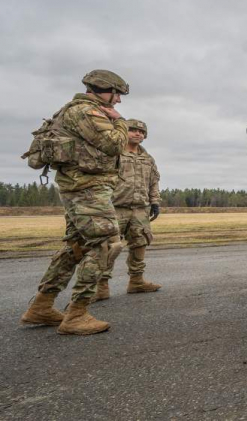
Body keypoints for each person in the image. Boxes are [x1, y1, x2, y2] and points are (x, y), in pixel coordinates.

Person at [20, 70, 130, 335]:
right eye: (117, 95)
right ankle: (77, 314)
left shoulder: (70, 111)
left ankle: (42, 305)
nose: (118, 102)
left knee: (76, 246)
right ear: (104, 89)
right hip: (87, 189)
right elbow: (115, 144)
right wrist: (121, 122)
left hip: (79, 187)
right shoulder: (87, 112)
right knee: (105, 244)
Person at [95, 119, 161, 300]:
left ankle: (136, 281)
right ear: (124, 132)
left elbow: (154, 182)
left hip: (140, 209)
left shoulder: (147, 158)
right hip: (115, 208)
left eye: (141, 131)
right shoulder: (113, 154)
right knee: (108, 247)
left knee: (140, 243)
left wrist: (154, 202)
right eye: (133, 130)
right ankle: (101, 286)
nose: (137, 133)